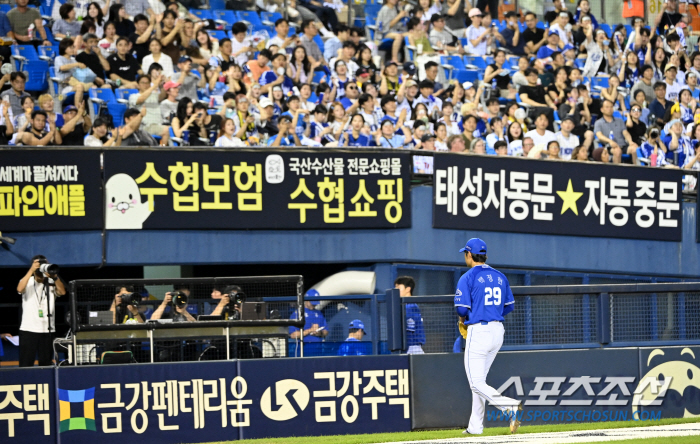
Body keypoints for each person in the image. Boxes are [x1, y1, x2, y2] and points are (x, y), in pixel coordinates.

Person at [454, 238, 521, 435]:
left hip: (480, 331)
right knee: (480, 382)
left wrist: (469, 317)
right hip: (497, 331)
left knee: (476, 383)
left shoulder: (467, 277)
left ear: (468, 254)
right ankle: (475, 427)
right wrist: (492, 312)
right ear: (485, 256)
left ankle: (509, 407)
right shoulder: (500, 276)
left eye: (465, 254)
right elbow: (509, 306)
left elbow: (461, 309)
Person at [16, 255, 66, 367]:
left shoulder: (51, 282)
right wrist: (31, 270)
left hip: (47, 329)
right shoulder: (27, 281)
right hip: (29, 329)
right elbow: (19, 289)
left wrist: (55, 277)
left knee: (46, 363)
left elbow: (62, 292)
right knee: (26, 363)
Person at [594, 99, 638, 164]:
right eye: (607, 107)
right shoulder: (598, 123)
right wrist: (610, 141)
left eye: (611, 107)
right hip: (609, 147)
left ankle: (636, 170)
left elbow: (625, 133)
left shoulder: (619, 121)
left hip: (623, 145)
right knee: (617, 151)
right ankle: (617, 173)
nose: (610, 109)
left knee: (635, 148)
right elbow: (599, 136)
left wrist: (630, 141)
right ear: (602, 109)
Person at [395, 276, 425, 354]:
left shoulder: (410, 306)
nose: (396, 290)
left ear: (408, 289)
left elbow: (409, 331)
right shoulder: (404, 305)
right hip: (410, 347)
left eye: (398, 287)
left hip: (412, 347)